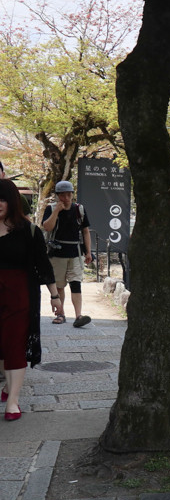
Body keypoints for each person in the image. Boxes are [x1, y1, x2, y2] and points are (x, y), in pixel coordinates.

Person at [0, 179, 64, 421]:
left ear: (13, 202)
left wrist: (55, 296)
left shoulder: (28, 231)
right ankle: (8, 385)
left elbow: (42, 264)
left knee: (14, 344)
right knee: (2, 348)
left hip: (19, 296)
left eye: (3, 198)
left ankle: (13, 401)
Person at [41, 180, 92, 328]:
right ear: (57, 196)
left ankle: (78, 316)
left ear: (72, 194)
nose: (66, 198)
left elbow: (85, 231)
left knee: (76, 283)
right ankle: (60, 314)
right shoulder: (51, 209)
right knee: (59, 285)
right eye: (62, 195)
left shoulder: (79, 209)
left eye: (68, 194)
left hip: (75, 252)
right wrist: (57, 211)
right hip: (57, 252)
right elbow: (47, 227)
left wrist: (88, 252)